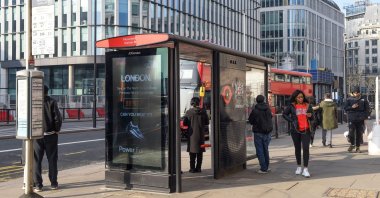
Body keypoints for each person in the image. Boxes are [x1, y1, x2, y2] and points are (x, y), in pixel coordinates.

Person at [34, 85, 62, 192]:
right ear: (47, 92)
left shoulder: (34, 102)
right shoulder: (52, 102)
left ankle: (38, 185)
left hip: (37, 135)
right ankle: (53, 183)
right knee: (52, 160)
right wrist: (57, 129)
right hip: (51, 135)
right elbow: (57, 118)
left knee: (37, 160)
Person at [282, 90, 314, 178]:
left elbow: (313, 118)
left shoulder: (308, 105)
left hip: (306, 130)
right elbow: (284, 114)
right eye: (299, 97)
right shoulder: (292, 106)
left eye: (302, 97)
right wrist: (292, 121)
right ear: (295, 98)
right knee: (297, 148)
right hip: (295, 130)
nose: (301, 99)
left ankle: (306, 169)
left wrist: (310, 116)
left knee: (306, 148)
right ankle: (299, 166)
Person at [183, 97, 209, 173]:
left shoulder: (189, 112)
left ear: (192, 103)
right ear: (198, 103)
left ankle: (192, 168)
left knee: (192, 153)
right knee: (200, 152)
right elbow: (207, 122)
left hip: (192, 136)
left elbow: (185, 123)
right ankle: (198, 168)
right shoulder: (203, 112)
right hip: (201, 135)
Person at [248, 95, 273, 174]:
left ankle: (263, 168)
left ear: (256, 100)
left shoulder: (255, 110)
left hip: (258, 132)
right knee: (265, 149)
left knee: (260, 150)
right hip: (267, 132)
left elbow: (251, 120)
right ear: (263, 100)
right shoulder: (268, 109)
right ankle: (266, 166)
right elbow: (270, 118)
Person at [344, 86, 370, 153]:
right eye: (355, 93)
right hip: (352, 118)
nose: (356, 94)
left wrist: (365, 116)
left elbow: (367, 109)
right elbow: (345, 108)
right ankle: (352, 144)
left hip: (360, 119)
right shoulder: (349, 99)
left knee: (359, 134)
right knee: (351, 133)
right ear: (352, 93)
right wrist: (352, 107)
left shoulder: (363, 99)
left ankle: (357, 147)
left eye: (357, 92)